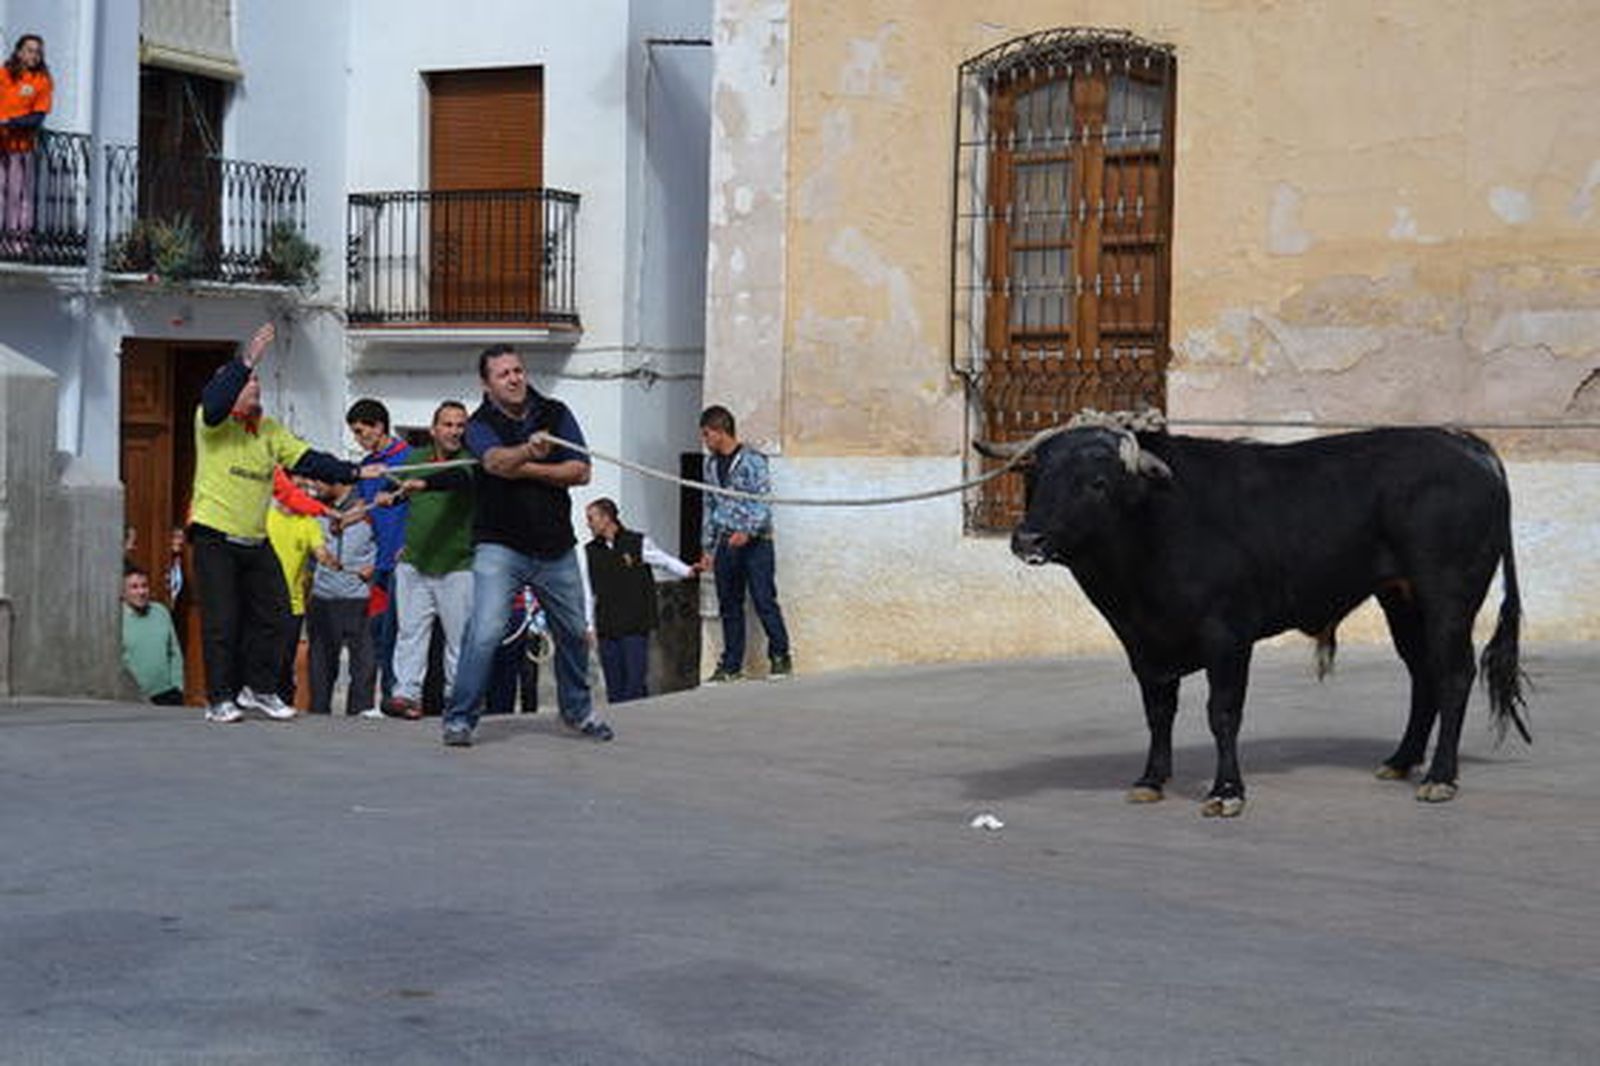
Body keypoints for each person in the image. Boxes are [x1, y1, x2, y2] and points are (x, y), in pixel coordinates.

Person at [188, 322, 384, 724]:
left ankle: (258, 688)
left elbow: (308, 460)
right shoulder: (211, 424)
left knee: (278, 613)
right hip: (214, 536)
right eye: (249, 383)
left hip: (255, 539)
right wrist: (245, 362)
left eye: (258, 381)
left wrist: (354, 471)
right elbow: (214, 401)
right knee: (223, 621)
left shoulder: (270, 431)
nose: (256, 386)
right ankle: (220, 698)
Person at [440, 344, 612, 747]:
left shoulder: (555, 413)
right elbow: (495, 462)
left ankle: (577, 711)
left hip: (555, 546)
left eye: (518, 370)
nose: (515, 378)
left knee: (572, 631)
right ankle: (460, 718)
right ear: (486, 383)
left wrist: (524, 466)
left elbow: (582, 470)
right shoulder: (478, 424)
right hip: (500, 545)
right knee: (485, 631)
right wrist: (527, 453)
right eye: (504, 374)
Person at [381, 401, 474, 720]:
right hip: (415, 561)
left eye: (460, 425)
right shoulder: (416, 458)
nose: (454, 431)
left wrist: (424, 483)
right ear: (434, 429)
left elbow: (458, 481)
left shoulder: (471, 460)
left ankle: (456, 697)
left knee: (459, 638)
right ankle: (406, 694)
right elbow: (391, 485)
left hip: (457, 565)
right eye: (448, 424)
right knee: (410, 632)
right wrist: (386, 493)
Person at [698, 404, 792, 683]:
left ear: (719, 431)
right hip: (726, 542)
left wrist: (749, 531)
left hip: (756, 543)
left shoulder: (753, 460)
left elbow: (763, 501)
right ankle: (731, 665)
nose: (704, 441)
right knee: (729, 604)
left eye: (706, 434)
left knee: (764, 599)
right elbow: (709, 505)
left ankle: (780, 655)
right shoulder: (711, 465)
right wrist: (708, 547)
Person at [584, 497, 697, 703]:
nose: (588, 523)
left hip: (634, 623)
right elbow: (588, 590)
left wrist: (688, 570)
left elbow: (662, 559)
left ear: (606, 518)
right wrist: (590, 625)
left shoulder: (636, 542)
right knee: (614, 686)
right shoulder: (591, 551)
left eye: (591, 518)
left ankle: (638, 723)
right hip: (607, 625)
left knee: (634, 683)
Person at [346, 398, 409, 706]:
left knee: (401, 633)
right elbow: (365, 507)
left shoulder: (408, 458)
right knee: (381, 631)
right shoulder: (367, 467)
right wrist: (342, 519)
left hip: (404, 560)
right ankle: (387, 698)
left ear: (379, 427)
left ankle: (401, 695)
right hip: (381, 563)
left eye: (361, 431)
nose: (358, 439)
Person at [306, 478, 380, 718]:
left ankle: (360, 714)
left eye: (318, 480)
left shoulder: (368, 507)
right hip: (322, 597)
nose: (313, 485)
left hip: (359, 596)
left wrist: (375, 568)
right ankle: (318, 715)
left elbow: (387, 542)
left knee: (364, 663)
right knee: (320, 664)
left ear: (337, 482)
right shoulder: (313, 510)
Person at [266, 468, 334, 706]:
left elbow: (320, 550)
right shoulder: (265, 517)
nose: (305, 491)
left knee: (285, 658)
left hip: (292, 603)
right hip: (263, 601)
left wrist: (328, 559)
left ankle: (282, 702)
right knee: (263, 654)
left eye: (307, 486)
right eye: (299, 486)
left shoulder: (308, 522)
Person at [0, 34, 50, 250]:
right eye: (30, 50)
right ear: (19, 51)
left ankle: (18, 241)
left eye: (38, 51)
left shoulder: (41, 81)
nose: (34, 55)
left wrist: (10, 122)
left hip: (22, 147)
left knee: (19, 195)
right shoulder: (3, 74)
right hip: (1, 143)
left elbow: (37, 117)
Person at [121, 563, 184, 705]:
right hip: (133, 698)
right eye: (134, 587)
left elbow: (174, 652)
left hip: (168, 693)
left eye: (144, 586)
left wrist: (178, 686)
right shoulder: (117, 618)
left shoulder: (161, 612)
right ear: (123, 592)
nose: (141, 592)